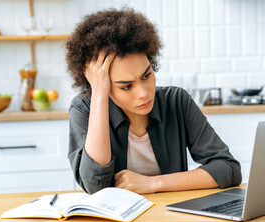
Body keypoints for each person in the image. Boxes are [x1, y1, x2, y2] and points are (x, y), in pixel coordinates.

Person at [65, 8, 242, 194]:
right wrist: (99, 94)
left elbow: (228, 169)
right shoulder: (84, 107)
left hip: (169, 215)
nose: (143, 93)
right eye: (126, 86)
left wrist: (153, 183)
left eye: (147, 75)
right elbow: (95, 185)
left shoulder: (176, 101)